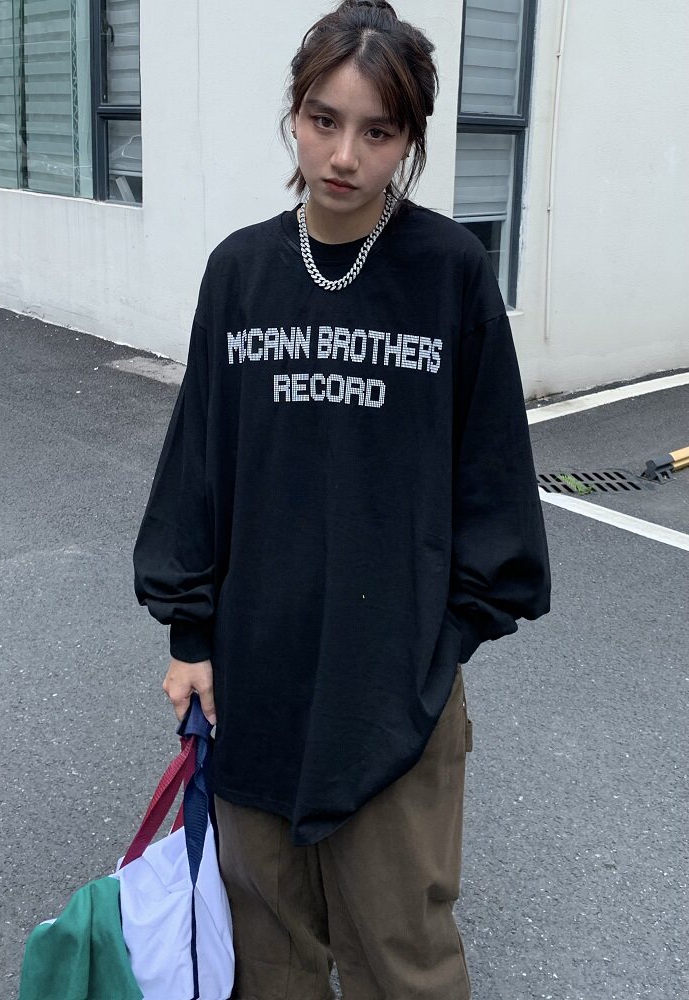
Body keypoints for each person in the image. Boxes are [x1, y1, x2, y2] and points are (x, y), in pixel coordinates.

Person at [133, 1, 551, 997]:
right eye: (324, 119)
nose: (345, 155)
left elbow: (493, 478)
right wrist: (191, 634)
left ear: (410, 138)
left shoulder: (448, 274)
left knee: (399, 957)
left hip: (394, 688)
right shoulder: (240, 273)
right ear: (295, 112)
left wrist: (441, 643)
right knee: (268, 954)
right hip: (255, 679)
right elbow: (199, 465)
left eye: (378, 130)